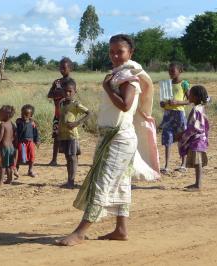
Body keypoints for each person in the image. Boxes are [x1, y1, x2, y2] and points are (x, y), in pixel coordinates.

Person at [57, 34, 141, 246]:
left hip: (120, 138)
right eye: (111, 51)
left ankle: (80, 232)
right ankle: (121, 229)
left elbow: (125, 105)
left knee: (102, 183)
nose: (115, 55)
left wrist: (106, 88)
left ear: (130, 53)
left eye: (119, 51)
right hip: (114, 136)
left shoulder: (129, 76)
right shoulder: (117, 74)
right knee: (121, 183)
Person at [58, 78, 91, 189]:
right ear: (62, 91)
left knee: (73, 158)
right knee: (68, 158)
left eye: (70, 91)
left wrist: (77, 123)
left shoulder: (76, 104)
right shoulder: (61, 103)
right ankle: (69, 180)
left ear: (74, 92)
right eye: (65, 91)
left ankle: (71, 181)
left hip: (72, 135)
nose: (67, 93)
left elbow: (88, 113)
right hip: (63, 135)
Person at [160, 62, 190, 174]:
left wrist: (178, 102)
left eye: (173, 71)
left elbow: (190, 100)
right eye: (169, 71)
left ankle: (183, 164)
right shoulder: (167, 84)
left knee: (182, 139)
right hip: (168, 114)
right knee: (167, 138)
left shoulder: (184, 84)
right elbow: (164, 99)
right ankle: (166, 166)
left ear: (180, 71)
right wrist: (162, 104)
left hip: (179, 114)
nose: (170, 73)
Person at [179, 85, 209, 191]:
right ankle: (197, 183)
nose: (188, 95)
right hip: (198, 139)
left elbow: (194, 127)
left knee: (198, 161)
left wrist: (183, 135)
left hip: (197, 139)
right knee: (197, 162)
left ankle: (198, 185)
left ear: (196, 97)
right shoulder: (200, 108)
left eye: (190, 94)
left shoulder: (197, 109)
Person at [47, 57, 73, 166]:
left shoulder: (71, 82)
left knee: (69, 138)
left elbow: (70, 96)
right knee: (56, 137)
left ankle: (71, 160)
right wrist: (60, 92)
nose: (61, 69)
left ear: (70, 69)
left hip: (68, 115)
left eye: (64, 68)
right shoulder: (56, 81)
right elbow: (49, 95)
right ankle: (54, 159)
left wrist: (58, 91)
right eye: (60, 67)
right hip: (57, 114)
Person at [0, 105, 16, 185]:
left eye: (0, 113)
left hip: (4, 147)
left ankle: (0, 181)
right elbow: (14, 135)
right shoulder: (12, 124)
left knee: (3, 165)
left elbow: (0, 137)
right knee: (9, 165)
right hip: (11, 147)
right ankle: (9, 179)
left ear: (6, 115)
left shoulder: (3, 124)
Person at [15, 104, 40, 177]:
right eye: (22, 113)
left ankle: (30, 170)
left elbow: (35, 133)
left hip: (30, 142)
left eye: (26, 114)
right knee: (18, 157)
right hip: (21, 142)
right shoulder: (19, 122)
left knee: (32, 156)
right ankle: (16, 169)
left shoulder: (33, 124)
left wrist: (37, 140)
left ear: (31, 115)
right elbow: (17, 125)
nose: (23, 116)